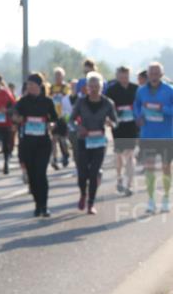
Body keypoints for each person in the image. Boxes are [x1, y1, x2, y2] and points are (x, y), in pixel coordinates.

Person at [70, 72, 118, 215]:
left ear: (102, 87)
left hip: (99, 141)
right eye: (91, 86)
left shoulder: (108, 103)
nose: (94, 89)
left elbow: (116, 122)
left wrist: (111, 123)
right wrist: (79, 128)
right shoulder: (81, 102)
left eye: (97, 86)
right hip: (83, 140)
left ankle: (91, 203)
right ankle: (83, 194)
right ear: (87, 88)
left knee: (94, 173)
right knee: (82, 173)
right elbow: (70, 121)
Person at [13, 74, 57, 217]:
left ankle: (44, 206)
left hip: (43, 143)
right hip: (27, 143)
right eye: (28, 84)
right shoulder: (23, 102)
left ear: (40, 86)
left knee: (41, 174)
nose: (30, 87)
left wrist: (51, 124)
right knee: (32, 176)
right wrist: (17, 118)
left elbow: (55, 119)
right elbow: (14, 115)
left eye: (33, 84)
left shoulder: (47, 102)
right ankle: (37, 204)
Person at [134, 62, 173, 214]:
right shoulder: (141, 91)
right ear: (148, 75)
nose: (154, 76)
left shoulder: (170, 90)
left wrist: (163, 109)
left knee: (166, 168)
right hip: (148, 134)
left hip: (166, 136)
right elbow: (136, 106)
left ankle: (166, 198)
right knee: (149, 168)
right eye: (151, 73)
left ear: (162, 75)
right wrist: (138, 117)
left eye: (157, 73)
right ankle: (151, 200)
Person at [105, 66, 139, 196]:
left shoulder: (136, 89)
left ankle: (129, 185)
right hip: (118, 127)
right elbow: (106, 107)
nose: (124, 79)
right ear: (117, 76)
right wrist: (107, 119)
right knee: (119, 154)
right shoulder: (111, 90)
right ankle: (119, 178)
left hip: (132, 126)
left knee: (130, 154)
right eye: (121, 77)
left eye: (126, 77)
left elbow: (141, 105)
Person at [48, 67, 72, 169]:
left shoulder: (66, 87)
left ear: (63, 76)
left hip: (63, 115)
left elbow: (68, 100)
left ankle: (65, 154)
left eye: (59, 75)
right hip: (54, 116)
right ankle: (54, 159)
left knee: (63, 139)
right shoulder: (52, 88)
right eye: (56, 75)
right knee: (54, 138)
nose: (57, 77)